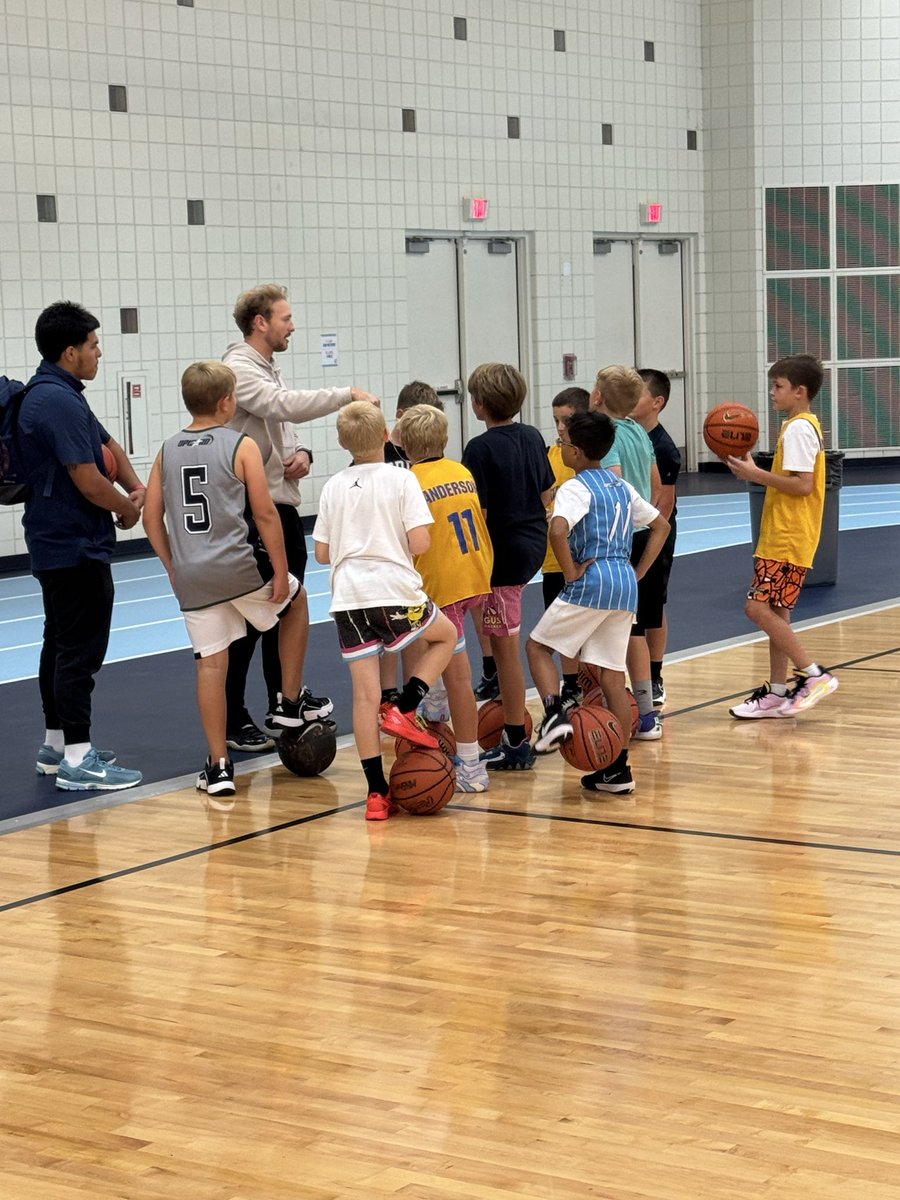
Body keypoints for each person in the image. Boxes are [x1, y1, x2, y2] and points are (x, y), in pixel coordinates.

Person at [222, 283, 378, 753]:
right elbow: (280, 406)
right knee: (256, 615)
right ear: (260, 323)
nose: (293, 326)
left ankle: (284, 699)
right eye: (286, 318)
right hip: (253, 511)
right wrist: (345, 394)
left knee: (284, 609)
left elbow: (279, 423)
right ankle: (233, 718)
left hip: (279, 504)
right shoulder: (238, 368)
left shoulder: (267, 367)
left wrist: (302, 452)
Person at [143, 362, 309, 797]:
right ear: (226, 402)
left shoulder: (166, 449)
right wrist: (278, 569)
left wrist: (171, 565)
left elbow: (150, 517)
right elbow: (266, 513)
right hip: (238, 565)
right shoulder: (242, 444)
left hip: (193, 576)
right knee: (298, 600)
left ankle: (218, 767)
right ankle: (289, 702)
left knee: (211, 666)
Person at [17, 301, 144, 791]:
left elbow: (105, 443)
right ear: (70, 351)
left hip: (60, 541)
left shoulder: (59, 391)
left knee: (60, 643)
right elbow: (89, 478)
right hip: (72, 544)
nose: (99, 353)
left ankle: (56, 746)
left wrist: (138, 485)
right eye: (93, 345)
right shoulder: (58, 401)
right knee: (79, 651)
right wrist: (128, 508)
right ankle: (79, 757)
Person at [312, 402, 457, 821]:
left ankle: (376, 794)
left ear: (342, 443)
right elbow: (420, 544)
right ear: (387, 437)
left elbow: (322, 553)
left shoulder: (332, 486)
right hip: (394, 590)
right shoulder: (401, 478)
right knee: (445, 637)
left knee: (363, 696)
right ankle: (407, 706)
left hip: (349, 597)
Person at [526, 411, 670, 794]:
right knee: (610, 677)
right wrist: (637, 571)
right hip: (624, 582)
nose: (560, 447)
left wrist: (570, 571)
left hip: (592, 579)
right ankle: (618, 770)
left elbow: (557, 529)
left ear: (576, 451)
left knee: (537, 647)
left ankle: (555, 714)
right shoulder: (620, 485)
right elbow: (661, 525)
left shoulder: (576, 487)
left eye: (563, 443)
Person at [726, 354, 839, 718]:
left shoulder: (798, 429)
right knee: (777, 613)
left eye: (778, 387)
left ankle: (813, 673)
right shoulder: (801, 425)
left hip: (787, 538)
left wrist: (754, 474)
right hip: (787, 535)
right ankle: (776, 692)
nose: (772, 393)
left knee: (755, 607)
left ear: (800, 391)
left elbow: (803, 486)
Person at [462, 363, 555, 770]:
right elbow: (548, 491)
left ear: (479, 405)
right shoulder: (533, 436)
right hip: (532, 544)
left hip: (503, 556)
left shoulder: (478, 449)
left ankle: (516, 739)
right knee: (497, 638)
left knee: (505, 653)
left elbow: (477, 512)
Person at [397, 403, 493, 792]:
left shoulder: (408, 481)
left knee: (459, 674)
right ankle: (434, 699)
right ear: (446, 438)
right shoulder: (460, 470)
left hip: (442, 582)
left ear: (402, 443)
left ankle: (471, 764)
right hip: (474, 572)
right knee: (432, 650)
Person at [590, 365, 664, 741]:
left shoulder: (611, 435)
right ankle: (646, 711)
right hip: (640, 531)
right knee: (632, 626)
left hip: (617, 539)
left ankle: (619, 710)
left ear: (599, 395)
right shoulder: (638, 430)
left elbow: (614, 481)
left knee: (623, 629)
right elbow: (655, 485)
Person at [540, 386, 592, 718]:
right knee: (561, 634)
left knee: (588, 631)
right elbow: (541, 499)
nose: (560, 427)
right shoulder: (549, 456)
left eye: (567, 420)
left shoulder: (588, 457)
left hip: (583, 557)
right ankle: (571, 685)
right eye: (556, 420)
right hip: (552, 560)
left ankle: (591, 684)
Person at [635, 369, 681, 708]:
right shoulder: (627, 435)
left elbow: (662, 506)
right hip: (631, 531)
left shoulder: (664, 448)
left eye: (638, 393)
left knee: (652, 607)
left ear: (657, 402)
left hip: (654, 535)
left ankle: (655, 675)